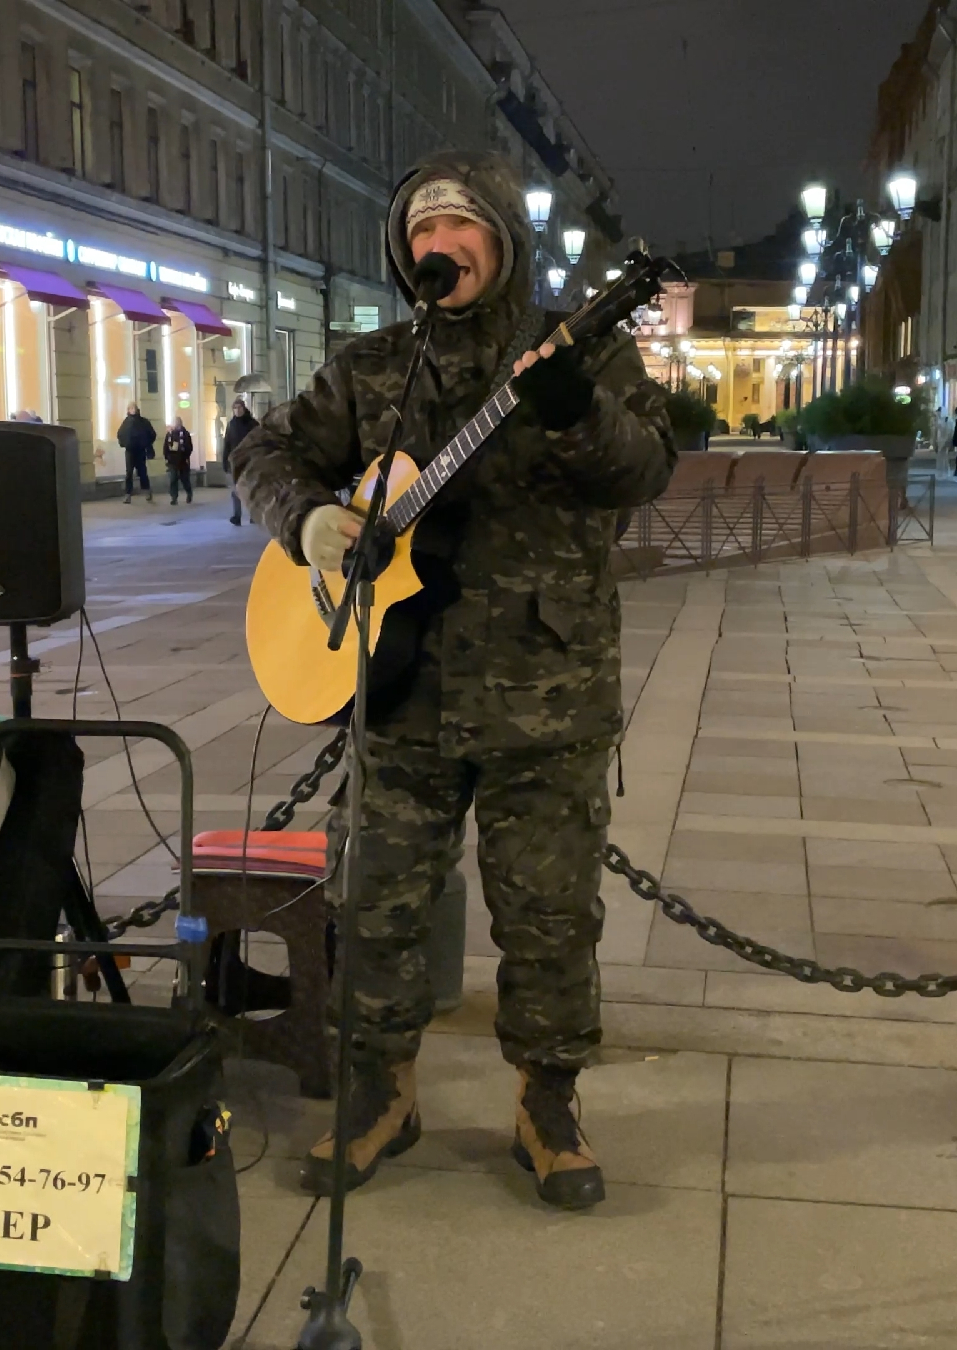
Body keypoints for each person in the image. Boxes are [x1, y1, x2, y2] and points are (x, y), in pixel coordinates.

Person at [231, 151, 673, 1212]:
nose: (439, 244)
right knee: (377, 905)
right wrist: (310, 521)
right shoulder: (372, 368)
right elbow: (262, 455)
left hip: (546, 688)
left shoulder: (579, 353)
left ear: (502, 241)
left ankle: (548, 1101)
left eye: (461, 226)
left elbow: (644, 471)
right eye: (422, 230)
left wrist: (574, 411)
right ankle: (382, 1089)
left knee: (551, 913)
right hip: (399, 689)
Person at [222, 396, 259, 526]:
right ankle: (237, 516)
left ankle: (254, 515)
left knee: (250, 489)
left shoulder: (252, 424)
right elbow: (227, 443)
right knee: (235, 490)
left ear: (244, 408)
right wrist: (225, 462)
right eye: (235, 408)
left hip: (249, 462)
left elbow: (258, 443)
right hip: (234, 462)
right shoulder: (231, 424)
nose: (237, 410)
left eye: (239, 407)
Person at [115, 402, 156, 502]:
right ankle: (128, 494)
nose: (133, 410)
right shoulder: (126, 422)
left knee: (142, 472)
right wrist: (124, 443)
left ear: (137, 409)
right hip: (130, 451)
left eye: (134, 408)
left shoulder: (143, 422)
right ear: (128, 410)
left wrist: (146, 444)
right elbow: (120, 434)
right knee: (129, 473)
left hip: (140, 451)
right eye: (131, 408)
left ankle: (147, 490)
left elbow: (152, 434)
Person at [162, 414, 196, 505]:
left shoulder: (185, 434)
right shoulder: (170, 434)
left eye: (178, 423)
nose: (176, 425)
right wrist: (166, 457)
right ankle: (174, 497)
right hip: (172, 461)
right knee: (173, 479)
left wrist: (185, 453)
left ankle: (189, 493)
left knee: (185, 479)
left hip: (183, 460)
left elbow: (189, 446)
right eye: (175, 423)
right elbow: (165, 447)